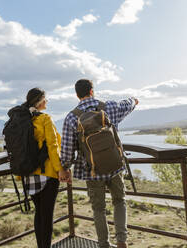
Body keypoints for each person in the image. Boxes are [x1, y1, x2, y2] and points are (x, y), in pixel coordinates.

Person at [59, 79, 139, 248]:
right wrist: (134, 100)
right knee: (120, 201)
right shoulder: (108, 107)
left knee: (99, 209)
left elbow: (66, 150)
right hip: (115, 166)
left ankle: (103, 244)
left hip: (92, 171)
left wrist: (65, 168)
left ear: (77, 95)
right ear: (92, 91)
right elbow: (127, 104)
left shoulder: (72, 117)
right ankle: (122, 241)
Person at [23, 87, 67, 248]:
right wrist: (60, 169)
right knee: (47, 216)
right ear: (40, 101)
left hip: (28, 174)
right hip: (46, 174)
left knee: (39, 213)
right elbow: (53, 146)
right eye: (45, 99)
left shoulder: (23, 119)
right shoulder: (44, 118)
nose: (47, 101)